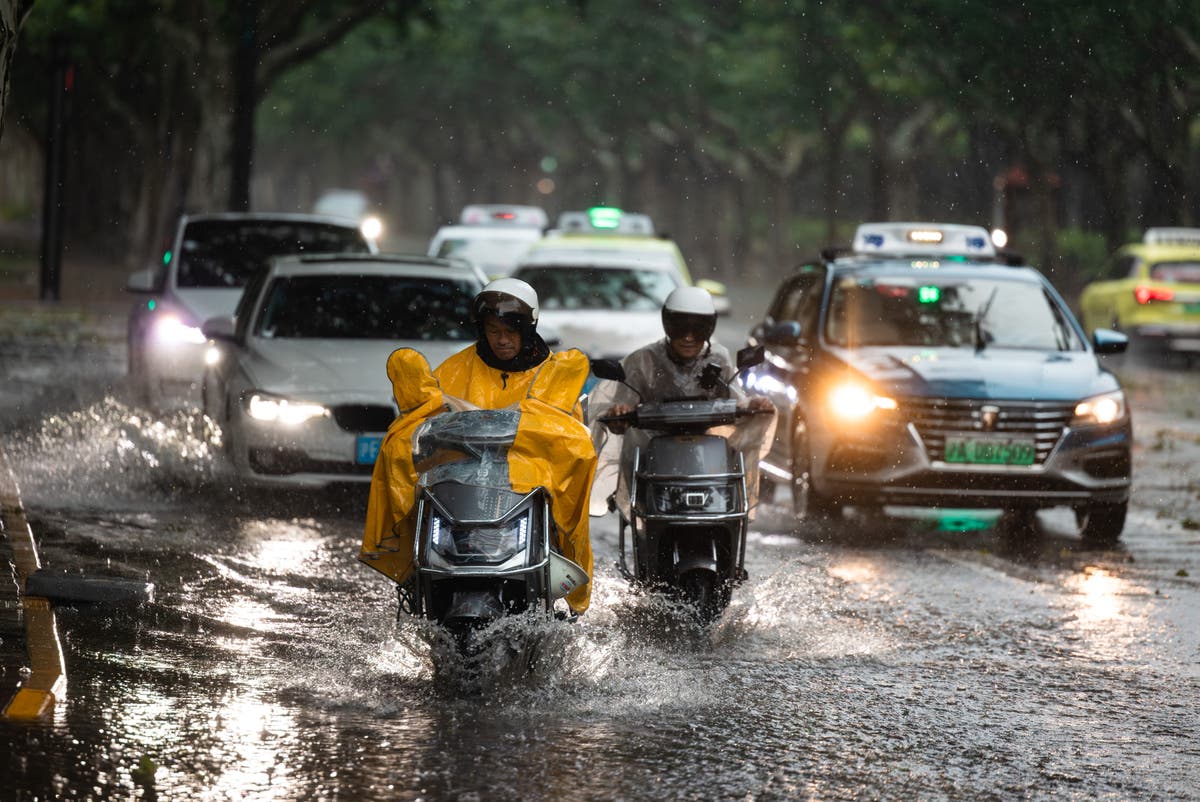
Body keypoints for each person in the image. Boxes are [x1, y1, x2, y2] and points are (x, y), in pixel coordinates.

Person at [362, 278, 596, 614]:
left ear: (529, 328)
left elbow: (569, 439)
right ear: (481, 329)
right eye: (493, 329)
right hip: (461, 497)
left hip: (525, 496)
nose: (502, 339)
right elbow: (421, 425)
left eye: (511, 331)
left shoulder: (553, 376)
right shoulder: (453, 371)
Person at [590, 285, 776, 516]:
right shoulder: (642, 360)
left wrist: (754, 406)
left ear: (709, 328)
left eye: (698, 329)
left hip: (709, 459)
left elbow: (736, 399)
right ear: (668, 324)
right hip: (653, 458)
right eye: (680, 328)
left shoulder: (719, 358)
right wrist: (619, 414)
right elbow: (618, 407)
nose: (688, 337)